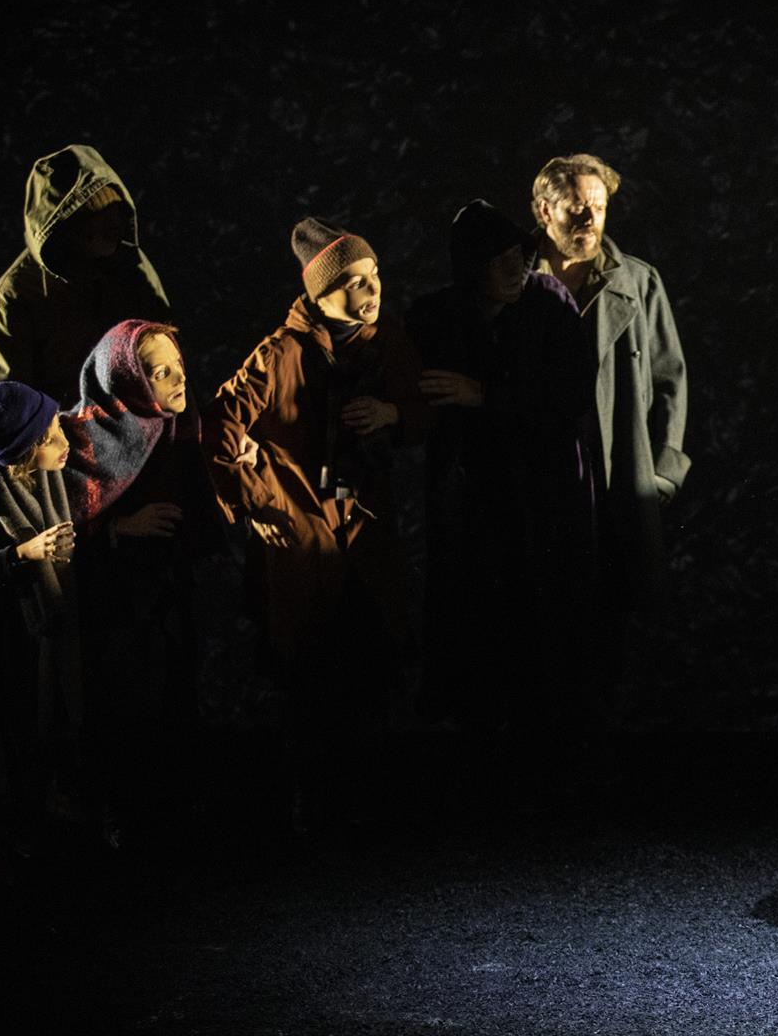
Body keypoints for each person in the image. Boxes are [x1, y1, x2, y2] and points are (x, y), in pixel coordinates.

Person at [203, 218, 429, 831]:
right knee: (309, 672)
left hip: (366, 532)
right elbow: (219, 427)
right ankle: (312, 807)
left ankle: (369, 805)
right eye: (354, 281)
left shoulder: (388, 344)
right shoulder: (281, 353)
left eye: (374, 275)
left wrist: (392, 414)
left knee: (373, 662)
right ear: (321, 292)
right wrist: (259, 498)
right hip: (304, 535)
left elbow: (424, 412)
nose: (371, 290)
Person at [407, 200, 598, 786]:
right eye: (499, 261)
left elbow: (569, 398)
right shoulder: (437, 316)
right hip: (470, 504)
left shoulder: (549, 305)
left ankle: (546, 767)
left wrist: (485, 396)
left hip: (540, 503)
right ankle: (482, 765)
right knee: (473, 632)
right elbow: (413, 395)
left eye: (519, 256)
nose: (515, 269)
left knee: (542, 628)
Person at [60, 321, 222, 846]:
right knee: (126, 705)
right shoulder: (81, 438)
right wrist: (117, 528)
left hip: (166, 591)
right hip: (113, 602)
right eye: (159, 372)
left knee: (174, 695)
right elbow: (51, 525)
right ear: (126, 379)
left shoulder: (177, 426)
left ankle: (174, 811)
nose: (178, 380)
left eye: (178, 366)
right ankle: (123, 816)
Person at [530, 154, 688, 656]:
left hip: (616, 475)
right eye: (576, 207)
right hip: (541, 479)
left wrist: (662, 473)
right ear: (544, 210)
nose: (589, 219)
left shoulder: (637, 283)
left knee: (611, 618)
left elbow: (669, 378)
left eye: (598, 207)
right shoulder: (514, 284)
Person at [0, 145, 172, 406]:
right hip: (65, 428)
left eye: (116, 216)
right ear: (69, 229)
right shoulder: (16, 297)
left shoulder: (130, 266)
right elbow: (12, 407)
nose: (113, 228)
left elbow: (167, 351)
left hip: (139, 422)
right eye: (100, 221)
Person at [0, 382, 77, 864]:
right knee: (15, 727)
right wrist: (19, 555)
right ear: (22, 450)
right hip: (8, 633)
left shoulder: (49, 479)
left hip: (44, 629)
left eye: (58, 426)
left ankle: (45, 809)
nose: (63, 442)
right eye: (49, 437)